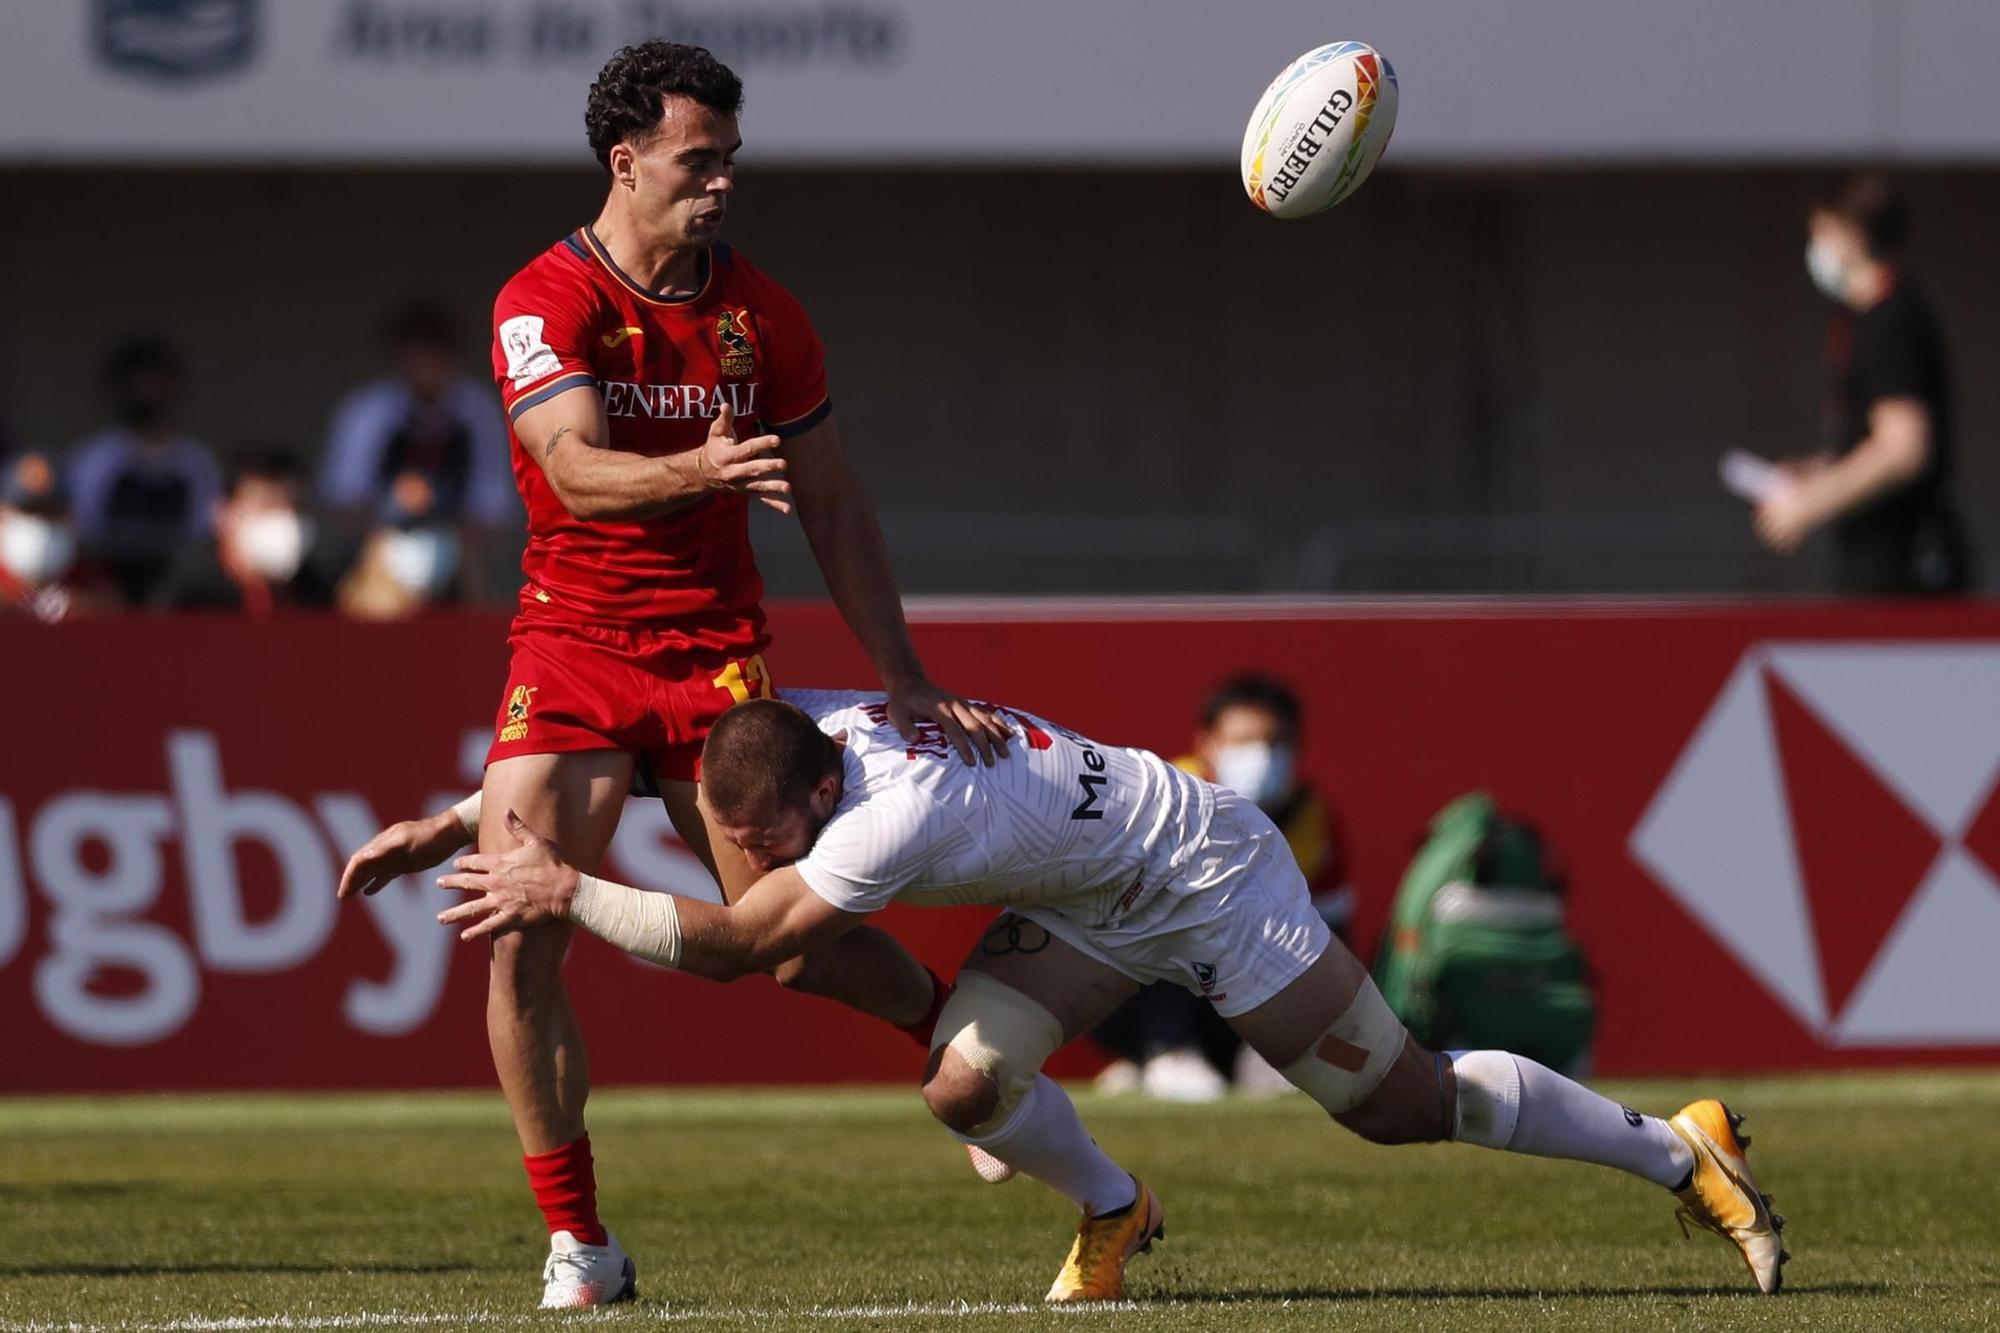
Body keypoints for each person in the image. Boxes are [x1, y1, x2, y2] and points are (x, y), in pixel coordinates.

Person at [341, 40, 1008, 1309]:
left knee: (793, 947)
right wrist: (702, 472)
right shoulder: (543, 298)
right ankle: (579, 1242)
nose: (722, 184)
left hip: (714, 651)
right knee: (520, 935)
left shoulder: (766, 317)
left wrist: (903, 673)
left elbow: (831, 502)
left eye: (731, 161)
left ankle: (956, 1036)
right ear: (626, 159)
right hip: (573, 646)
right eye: (699, 162)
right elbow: (577, 471)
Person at [437, 692, 1791, 1304]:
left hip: (1206, 869)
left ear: (815, 799)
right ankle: (1112, 1209)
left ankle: (1678, 1147)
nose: (773, 857)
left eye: (779, 838)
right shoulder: (814, 733)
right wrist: (478, 820)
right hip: (1096, 895)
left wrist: (567, 891)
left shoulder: (882, 817)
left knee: (1399, 1104)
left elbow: (741, 948)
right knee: (962, 1083)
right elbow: (653, 764)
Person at [1095, 674, 1351, 1100]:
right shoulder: (1165, 799)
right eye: (1244, 741)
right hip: (1136, 993)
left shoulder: (1315, 817)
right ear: (1206, 743)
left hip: (1246, 999)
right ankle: (1163, 1052)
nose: (1262, 756)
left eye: (1275, 742)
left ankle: (1265, 1056)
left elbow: (1335, 928)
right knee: (1171, 915)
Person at [1756, 173, 1971, 592]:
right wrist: (1815, 472)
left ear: (1852, 235)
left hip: (1904, 573)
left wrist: (1810, 504)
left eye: (1820, 233)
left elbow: (1904, 449)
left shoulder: (1893, 322)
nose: (1814, 249)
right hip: (1874, 562)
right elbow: (1870, 442)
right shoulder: (1867, 320)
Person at [318, 300, 520, 599]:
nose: (426, 362)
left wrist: (450, 540)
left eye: (436, 350)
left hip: (458, 553)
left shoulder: (478, 412)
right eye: (417, 351)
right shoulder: (368, 411)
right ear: (398, 355)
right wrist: (393, 511)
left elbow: (492, 508)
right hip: (382, 547)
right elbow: (344, 500)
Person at [66, 335, 223, 604]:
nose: (147, 390)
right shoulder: (95, 457)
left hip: (179, 588)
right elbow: (84, 534)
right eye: (137, 381)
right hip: (108, 582)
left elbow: (205, 537)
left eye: (157, 380)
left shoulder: (196, 460)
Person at [153, 450, 341, 614]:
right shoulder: (189, 585)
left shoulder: (317, 585)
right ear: (224, 513)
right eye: (266, 505)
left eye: (294, 506)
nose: (283, 518)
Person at [0, 453, 115, 622]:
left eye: (50, 513)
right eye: (30, 513)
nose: (41, 525)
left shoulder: (95, 587)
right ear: (3, 516)